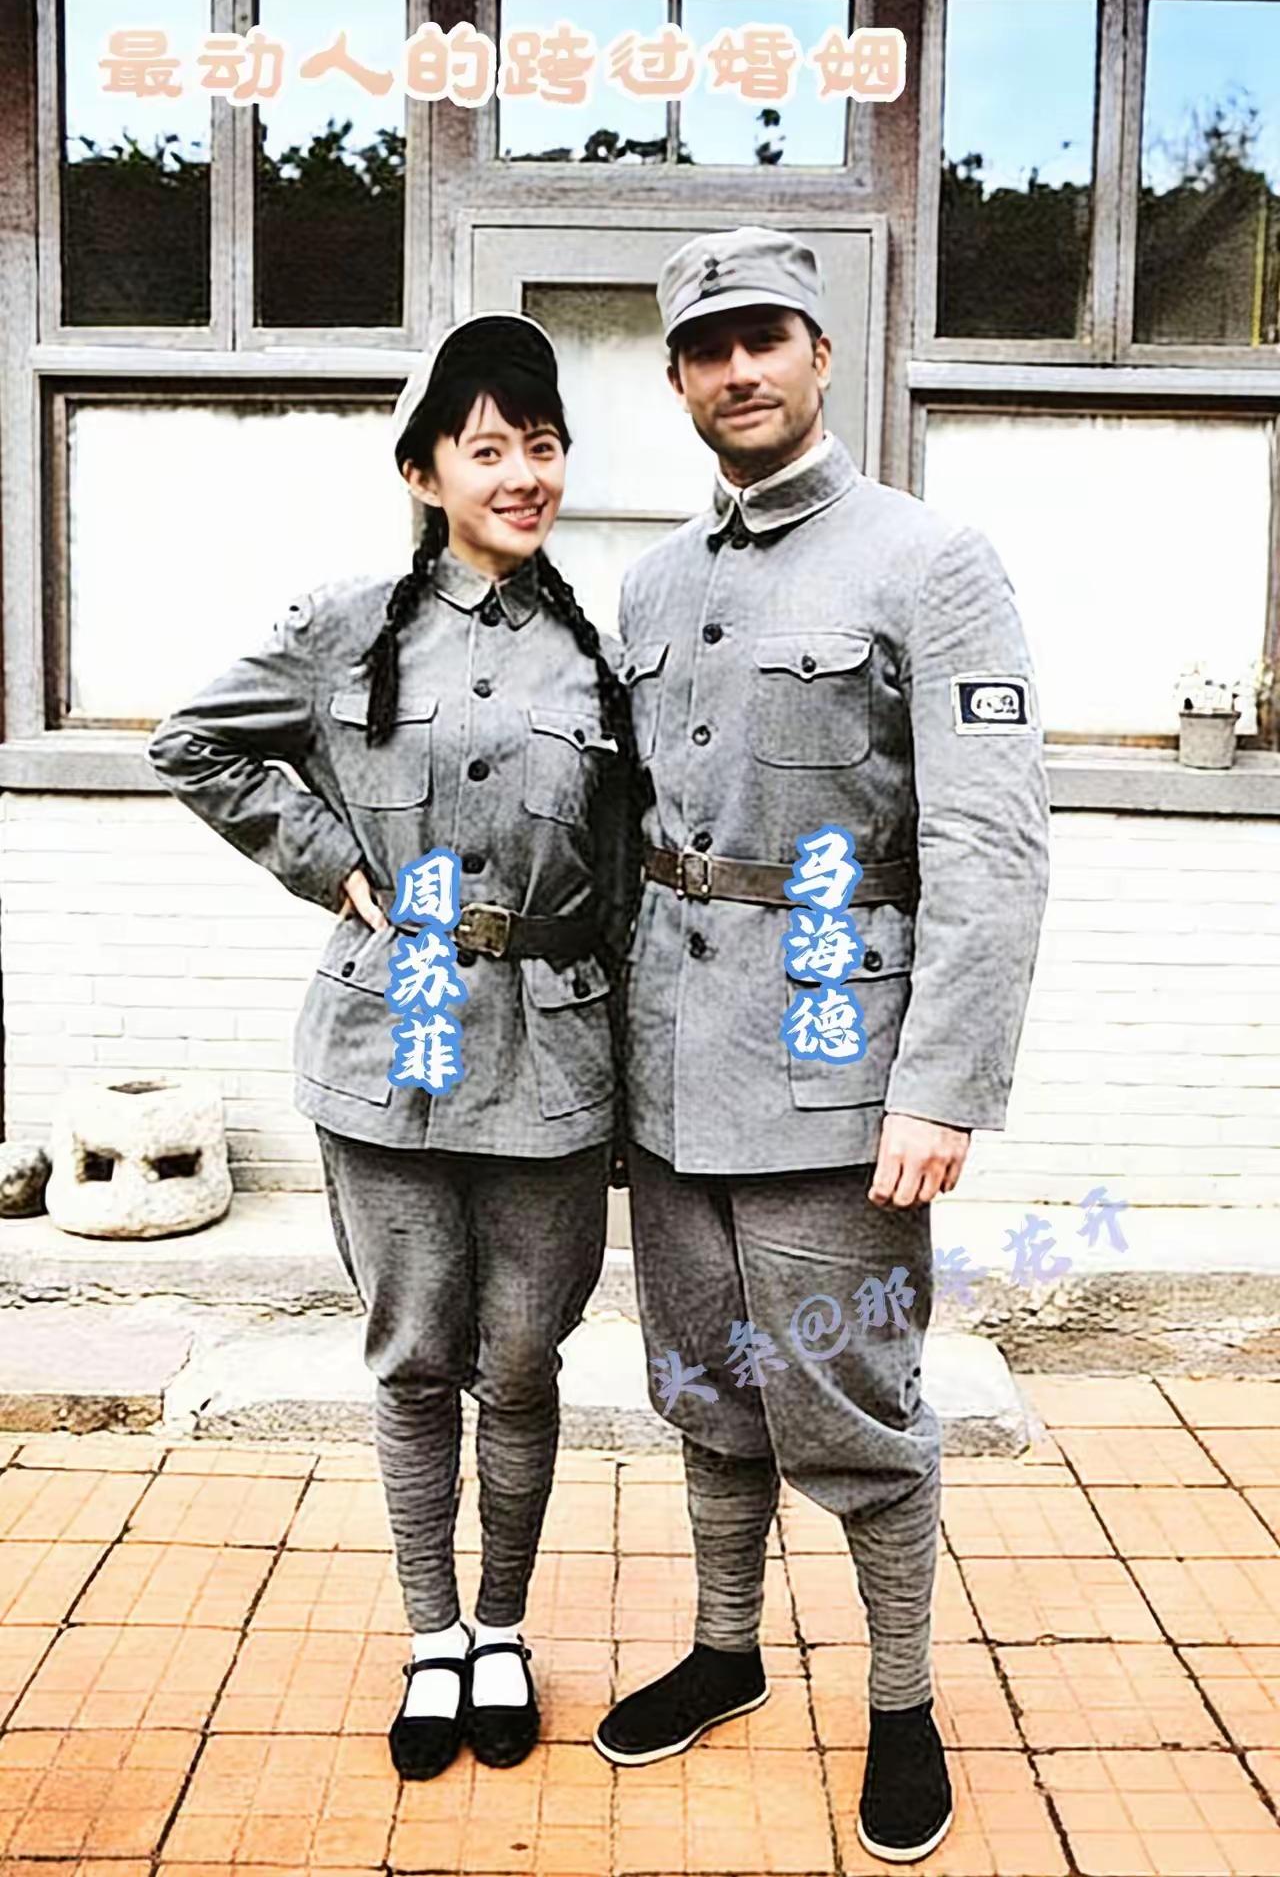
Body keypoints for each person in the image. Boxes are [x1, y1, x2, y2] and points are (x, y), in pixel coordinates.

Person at [594, 226, 1050, 1864]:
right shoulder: (652, 584)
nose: (739, 371)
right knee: (704, 1386)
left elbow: (993, 844)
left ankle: (902, 1703)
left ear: (821, 352)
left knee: (851, 1400)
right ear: (678, 379)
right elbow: (632, 837)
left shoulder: (930, 560)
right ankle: (727, 1651)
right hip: (668, 1068)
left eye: (765, 338)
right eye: (708, 349)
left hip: (836, 1065)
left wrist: (942, 1085)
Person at [147, 312, 640, 1784]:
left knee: (525, 1364)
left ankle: (505, 1629)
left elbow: (624, 880)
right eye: (489, 448)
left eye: (543, 445)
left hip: (554, 1057)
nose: (523, 474)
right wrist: (329, 863)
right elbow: (192, 743)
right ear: (424, 472)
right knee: (417, 1359)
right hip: (391, 1045)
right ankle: (433, 1635)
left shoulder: (603, 662)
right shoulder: (341, 628)